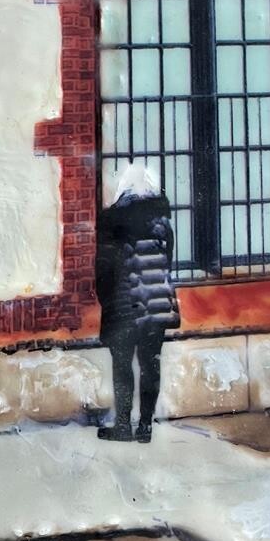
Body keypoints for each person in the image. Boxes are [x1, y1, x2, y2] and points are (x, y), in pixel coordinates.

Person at [95, 164, 180, 443]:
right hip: (156, 306)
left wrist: (107, 301)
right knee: (150, 365)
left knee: (122, 366)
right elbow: (166, 264)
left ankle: (123, 425)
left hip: (123, 305)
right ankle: (145, 427)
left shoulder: (112, 223)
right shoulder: (163, 224)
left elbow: (103, 271)